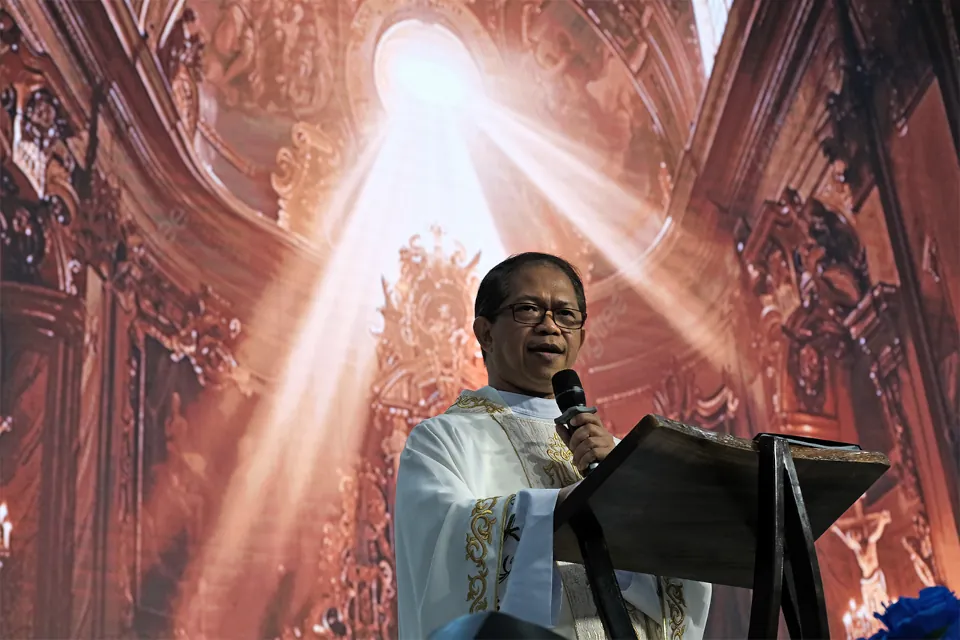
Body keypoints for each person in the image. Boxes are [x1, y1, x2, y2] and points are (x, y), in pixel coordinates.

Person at [394, 252, 712, 639]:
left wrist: (629, 496)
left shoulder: (613, 453)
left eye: (566, 315)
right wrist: (561, 508)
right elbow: (441, 552)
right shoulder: (443, 439)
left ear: (581, 335)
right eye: (528, 310)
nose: (550, 327)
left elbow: (679, 577)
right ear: (485, 332)